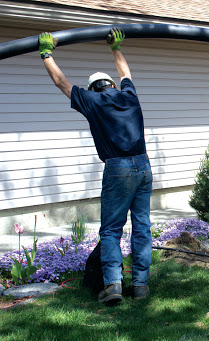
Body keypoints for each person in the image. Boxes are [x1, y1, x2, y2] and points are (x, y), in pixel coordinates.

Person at [39, 28, 153, 304]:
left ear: (94, 89)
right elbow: (126, 73)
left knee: (112, 230)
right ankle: (140, 286)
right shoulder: (128, 95)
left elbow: (60, 82)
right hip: (143, 165)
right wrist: (115, 48)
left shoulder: (92, 101)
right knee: (141, 227)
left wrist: (46, 54)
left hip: (118, 168)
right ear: (111, 84)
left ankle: (113, 285)